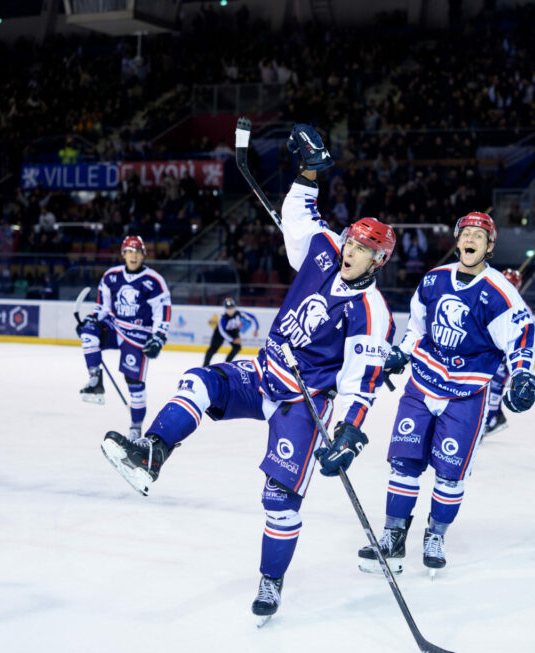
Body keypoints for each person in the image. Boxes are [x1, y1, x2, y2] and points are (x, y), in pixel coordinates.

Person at [99, 124, 397, 623]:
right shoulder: (323, 250)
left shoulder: (373, 310)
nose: (351, 250)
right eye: (352, 241)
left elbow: (359, 382)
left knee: (278, 498)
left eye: (364, 248)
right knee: (199, 381)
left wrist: (348, 431)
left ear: (379, 259)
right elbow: (300, 216)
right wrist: (308, 169)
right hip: (264, 371)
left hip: (304, 402)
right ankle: (152, 453)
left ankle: (271, 581)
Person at [363, 211, 535, 577]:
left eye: (479, 234)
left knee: (449, 473)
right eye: (466, 233)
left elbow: (520, 338)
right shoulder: (433, 281)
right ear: (457, 241)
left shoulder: (499, 293)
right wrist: (404, 351)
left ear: (489, 246)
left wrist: (522, 375)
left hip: (466, 394)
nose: (471, 239)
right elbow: (416, 327)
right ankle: (393, 533)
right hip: (423, 383)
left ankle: (435, 535)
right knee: (404, 462)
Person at [76, 235, 172, 440]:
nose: (133, 256)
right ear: (123, 254)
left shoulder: (154, 280)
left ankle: (135, 427)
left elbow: (162, 311)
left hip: (139, 335)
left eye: (137, 252)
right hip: (115, 326)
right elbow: (102, 308)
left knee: (134, 383)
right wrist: (92, 321)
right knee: (89, 332)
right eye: (129, 251)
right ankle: (95, 380)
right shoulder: (111, 276)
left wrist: (158, 337)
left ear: (143, 254)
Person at [483, 268, 525, 435]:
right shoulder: (496, 301)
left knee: (495, 383)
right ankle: (494, 416)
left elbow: (525, 340)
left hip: (506, 360)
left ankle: (491, 420)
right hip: (493, 355)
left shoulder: (520, 308)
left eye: (511, 284)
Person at [203, 297, 245, 366]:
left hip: (232, 331)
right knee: (213, 349)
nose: (230, 310)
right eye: (228, 309)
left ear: (235, 307)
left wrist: (237, 336)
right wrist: (233, 339)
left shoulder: (239, 314)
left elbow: (250, 318)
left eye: (232, 308)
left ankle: (227, 364)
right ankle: (205, 365)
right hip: (219, 333)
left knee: (237, 347)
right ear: (225, 309)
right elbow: (222, 332)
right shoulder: (223, 318)